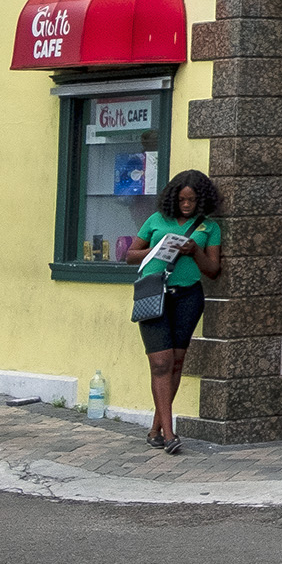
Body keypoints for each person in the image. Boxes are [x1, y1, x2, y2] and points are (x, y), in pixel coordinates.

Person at [124, 169, 221, 454]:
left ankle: (155, 429)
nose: (186, 205)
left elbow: (213, 270)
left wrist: (195, 252)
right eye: (181, 200)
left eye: (192, 200)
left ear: (201, 200)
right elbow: (130, 255)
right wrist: (157, 248)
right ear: (173, 198)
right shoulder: (156, 220)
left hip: (188, 297)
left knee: (176, 363)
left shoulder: (209, 227)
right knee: (161, 363)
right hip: (154, 293)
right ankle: (169, 433)